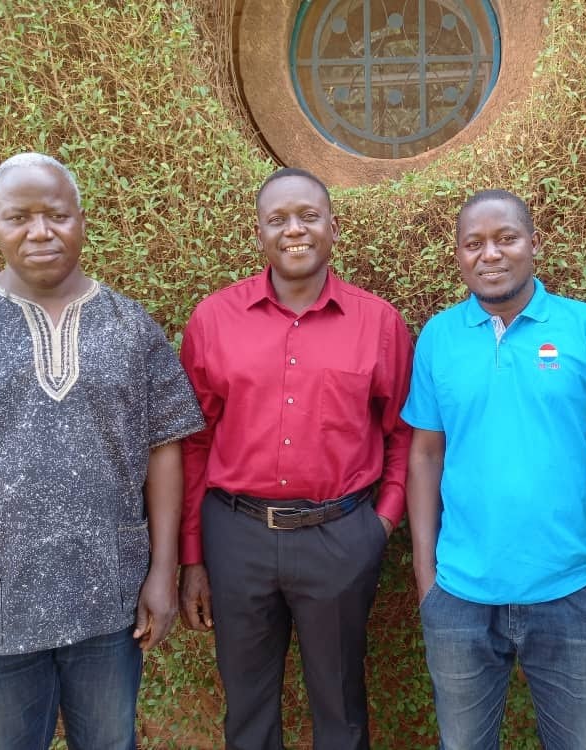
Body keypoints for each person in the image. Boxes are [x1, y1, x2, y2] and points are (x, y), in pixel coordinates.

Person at [0, 152, 205, 749]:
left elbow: (165, 448)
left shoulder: (131, 328)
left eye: (56, 215)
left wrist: (162, 572)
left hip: (109, 603)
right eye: (19, 217)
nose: (40, 231)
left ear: (81, 220)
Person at [177, 167, 413, 750]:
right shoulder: (213, 320)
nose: (294, 230)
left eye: (308, 216)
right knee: (247, 712)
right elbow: (194, 443)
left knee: (341, 709)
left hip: (340, 536)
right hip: (236, 537)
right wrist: (193, 555)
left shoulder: (378, 323)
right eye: (277, 219)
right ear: (258, 233)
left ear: (333, 226)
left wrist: (381, 523)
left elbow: (403, 434)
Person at [402, 189, 586, 750]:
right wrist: (426, 578)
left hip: (573, 593)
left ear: (534, 243)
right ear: (458, 255)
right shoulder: (438, 337)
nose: (490, 254)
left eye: (505, 238)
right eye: (474, 243)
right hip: (458, 595)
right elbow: (424, 455)